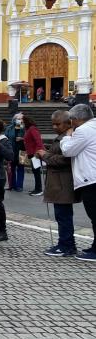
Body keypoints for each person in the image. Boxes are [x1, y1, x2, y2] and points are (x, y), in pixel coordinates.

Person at [36, 110, 80, 257]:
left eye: (58, 124)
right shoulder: (62, 136)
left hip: (63, 183)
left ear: (68, 123)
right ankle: (66, 244)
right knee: (62, 216)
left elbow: (65, 159)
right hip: (59, 182)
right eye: (53, 124)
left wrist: (45, 155)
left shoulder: (69, 137)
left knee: (64, 216)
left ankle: (66, 245)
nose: (54, 127)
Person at [60, 104, 96, 261]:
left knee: (95, 215)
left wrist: (67, 136)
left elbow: (68, 151)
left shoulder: (83, 131)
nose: (71, 123)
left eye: (72, 120)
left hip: (91, 179)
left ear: (77, 119)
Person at [23, 115, 44, 196]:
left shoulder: (32, 128)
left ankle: (39, 189)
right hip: (31, 153)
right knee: (35, 172)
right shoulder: (28, 129)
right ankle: (37, 188)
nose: (22, 123)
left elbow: (38, 141)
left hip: (35, 154)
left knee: (36, 172)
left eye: (23, 121)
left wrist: (37, 152)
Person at [4, 113, 25, 191]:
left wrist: (22, 138)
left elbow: (29, 138)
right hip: (12, 150)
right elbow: (5, 138)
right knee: (11, 168)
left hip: (22, 151)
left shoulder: (25, 128)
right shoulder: (9, 128)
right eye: (18, 118)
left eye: (21, 118)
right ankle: (12, 185)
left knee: (21, 168)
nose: (20, 120)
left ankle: (19, 186)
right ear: (14, 119)